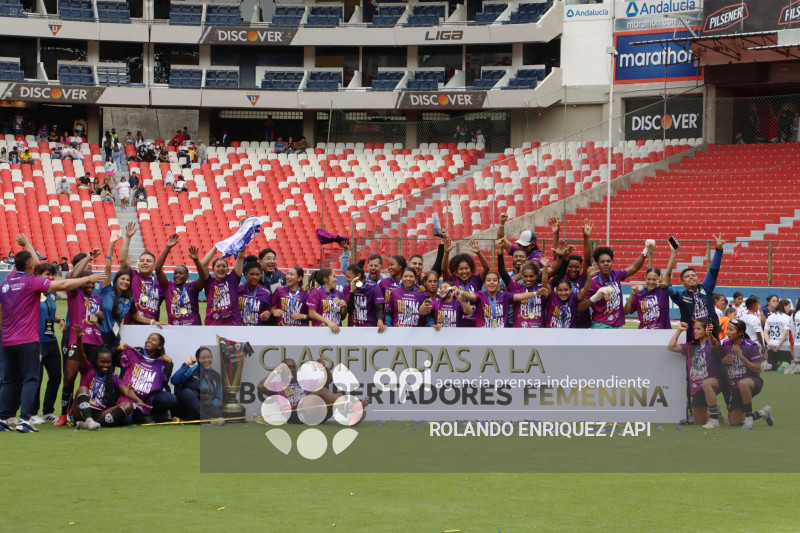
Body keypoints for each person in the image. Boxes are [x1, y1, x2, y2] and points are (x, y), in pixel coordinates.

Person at [0, 235, 105, 433]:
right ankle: (25, 420)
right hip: (27, 339)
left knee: (10, 380)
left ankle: (3, 418)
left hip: (6, 340)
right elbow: (63, 285)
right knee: (31, 379)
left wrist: (27, 244)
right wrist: (89, 278)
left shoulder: (6, 282)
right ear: (31, 266)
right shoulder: (31, 281)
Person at [59, 251, 106, 426]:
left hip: (95, 342)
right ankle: (63, 414)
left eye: (92, 282)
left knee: (91, 378)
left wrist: (100, 318)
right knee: (70, 377)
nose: (91, 284)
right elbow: (72, 277)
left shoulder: (98, 298)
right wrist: (88, 258)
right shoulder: (74, 294)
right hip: (77, 340)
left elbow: (98, 323)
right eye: (88, 281)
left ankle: (83, 411)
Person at [71, 327, 149, 430]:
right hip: (81, 411)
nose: (105, 365)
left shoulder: (113, 376)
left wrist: (138, 400)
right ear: (96, 361)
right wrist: (79, 338)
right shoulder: (88, 369)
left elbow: (126, 391)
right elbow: (81, 354)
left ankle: (94, 424)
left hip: (100, 413)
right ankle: (88, 420)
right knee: (82, 389)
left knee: (128, 405)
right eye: (102, 362)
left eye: (108, 362)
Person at [257, 358, 370, 426]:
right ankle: (351, 407)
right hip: (294, 414)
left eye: (293, 367)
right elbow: (261, 387)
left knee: (338, 395)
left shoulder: (302, 382)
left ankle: (351, 417)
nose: (291, 369)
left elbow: (328, 380)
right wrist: (276, 371)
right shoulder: (277, 386)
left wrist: (324, 368)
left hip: (314, 414)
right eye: (288, 367)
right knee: (321, 392)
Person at [663, 235, 725, 339]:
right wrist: (665, 287)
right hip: (692, 335)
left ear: (698, 278)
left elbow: (714, 270)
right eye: (687, 276)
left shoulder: (706, 287)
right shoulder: (682, 296)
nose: (691, 277)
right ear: (682, 282)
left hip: (711, 334)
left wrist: (718, 250)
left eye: (693, 275)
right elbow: (672, 291)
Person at [580, 240, 652, 329]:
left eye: (608, 261)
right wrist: (595, 297)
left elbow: (634, 268)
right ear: (597, 264)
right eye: (602, 262)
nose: (606, 264)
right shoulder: (593, 282)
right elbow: (580, 307)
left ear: (612, 262)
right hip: (601, 324)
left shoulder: (616, 274)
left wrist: (646, 250)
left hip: (618, 324)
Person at [667, 318, 724, 429]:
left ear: (706, 330)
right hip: (697, 387)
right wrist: (679, 330)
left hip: (714, 381)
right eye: (694, 328)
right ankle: (715, 411)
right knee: (699, 420)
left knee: (707, 383)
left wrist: (710, 335)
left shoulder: (712, 343)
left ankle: (714, 420)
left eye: (698, 329)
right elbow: (671, 347)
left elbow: (715, 346)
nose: (695, 331)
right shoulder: (691, 346)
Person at [721, 319, 773, 429]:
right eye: (727, 330)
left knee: (743, 383)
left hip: (752, 382)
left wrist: (741, 356)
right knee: (734, 422)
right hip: (734, 386)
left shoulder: (751, 345)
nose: (728, 332)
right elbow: (718, 360)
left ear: (740, 332)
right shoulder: (725, 344)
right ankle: (763, 413)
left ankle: (748, 417)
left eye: (731, 330)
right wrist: (723, 361)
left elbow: (757, 369)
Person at [117, 334, 176, 423]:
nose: (149, 341)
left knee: (171, 399)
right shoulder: (135, 352)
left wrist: (169, 364)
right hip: (130, 393)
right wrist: (118, 350)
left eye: (154, 340)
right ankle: (138, 415)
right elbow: (116, 361)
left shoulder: (161, 360)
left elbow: (163, 381)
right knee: (126, 421)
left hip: (148, 396)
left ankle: (143, 413)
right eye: (148, 339)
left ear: (160, 346)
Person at [33, 263, 65, 424]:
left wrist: (59, 319)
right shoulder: (32, 293)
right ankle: (32, 413)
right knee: (36, 379)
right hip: (36, 341)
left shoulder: (51, 294)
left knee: (56, 376)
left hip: (51, 341)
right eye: (47, 274)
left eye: (53, 275)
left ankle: (47, 411)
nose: (51, 278)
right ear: (38, 276)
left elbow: (48, 313)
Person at [120, 222, 167, 326]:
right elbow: (123, 261)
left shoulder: (160, 283)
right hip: (131, 325)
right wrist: (128, 238)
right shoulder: (133, 276)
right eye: (142, 261)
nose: (144, 263)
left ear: (154, 265)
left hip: (152, 326)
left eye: (148, 261)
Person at [462, 271, 544, 329]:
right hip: (483, 334)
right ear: (485, 283)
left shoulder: (505, 295)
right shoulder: (481, 295)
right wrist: (461, 293)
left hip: (501, 334)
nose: (491, 282)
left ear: (498, 284)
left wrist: (535, 293)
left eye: (494, 280)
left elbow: (520, 296)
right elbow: (471, 296)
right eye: (488, 280)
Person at [156, 234, 207, 326]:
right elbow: (157, 269)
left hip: (193, 328)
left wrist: (196, 260)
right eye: (175, 273)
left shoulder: (192, 287)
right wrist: (168, 247)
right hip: (175, 329)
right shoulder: (168, 287)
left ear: (187, 276)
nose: (177, 275)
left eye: (180, 273)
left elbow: (203, 278)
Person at [441, 239, 491, 326]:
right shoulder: (452, 280)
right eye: (461, 269)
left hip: (475, 322)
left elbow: (486, 268)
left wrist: (479, 253)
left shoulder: (476, 280)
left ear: (471, 270)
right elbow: (444, 269)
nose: (464, 271)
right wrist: (446, 253)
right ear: (456, 271)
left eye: (466, 268)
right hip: (458, 322)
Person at [171, 347, 223, 423]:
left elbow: (218, 398)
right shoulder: (192, 370)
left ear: (212, 358)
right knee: (187, 392)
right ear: (198, 359)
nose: (206, 360)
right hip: (187, 405)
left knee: (218, 413)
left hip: (204, 407)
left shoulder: (216, 375)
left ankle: (193, 419)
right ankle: (207, 420)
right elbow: (174, 380)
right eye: (203, 358)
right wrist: (185, 364)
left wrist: (209, 404)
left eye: (208, 357)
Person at [201, 246, 246, 325]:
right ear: (213, 270)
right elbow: (203, 264)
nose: (221, 268)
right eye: (218, 266)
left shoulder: (233, 279)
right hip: (213, 325)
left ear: (228, 269)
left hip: (233, 324)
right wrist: (215, 247)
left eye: (224, 266)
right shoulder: (209, 282)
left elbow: (240, 257)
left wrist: (243, 242)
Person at [508, 259, 552, 328]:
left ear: (536, 276)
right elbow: (504, 274)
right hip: (520, 330)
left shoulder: (541, 289)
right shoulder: (517, 288)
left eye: (531, 276)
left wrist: (545, 267)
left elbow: (545, 283)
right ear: (521, 276)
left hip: (538, 330)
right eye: (525, 276)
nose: (528, 279)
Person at [344, 264, 386, 332]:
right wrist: (352, 291)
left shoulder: (374, 287)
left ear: (358, 276)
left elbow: (379, 308)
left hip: (370, 329)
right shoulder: (347, 288)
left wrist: (380, 320)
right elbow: (350, 311)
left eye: (348, 277)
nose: (346, 280)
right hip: (353, 329)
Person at [306, 268, 347, 333]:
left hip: (336, 332)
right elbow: (312, 314)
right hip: (320, 332)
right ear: (326, 279)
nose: (336, 280)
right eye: (334, 276)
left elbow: (342, 317)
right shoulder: (316, 292)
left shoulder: (338, 294)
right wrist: (328, 322)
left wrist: (344, 307)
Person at [764, 299, 793, 371]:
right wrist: (778, 346)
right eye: (789, 306)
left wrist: (769, 343)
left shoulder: (770, 317)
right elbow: (785, 333)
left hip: (771, 346)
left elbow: (765, 332)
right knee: (785, 366)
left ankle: (770, 366)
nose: (790, 308)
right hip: (783, 346)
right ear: (784, 306)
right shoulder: (787, 318)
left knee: (772, 366)